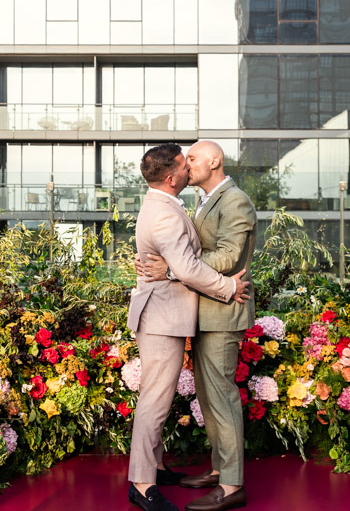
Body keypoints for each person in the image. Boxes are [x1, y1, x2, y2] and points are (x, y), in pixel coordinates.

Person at [127, 143, 250, 511]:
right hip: (164, 317)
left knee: (190, 397)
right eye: (185, 163)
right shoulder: (166, 211)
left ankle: (162, 470)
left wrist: (171, 267)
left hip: (176, 315)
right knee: (155, 401)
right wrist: (228, 286)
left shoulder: (171, 204)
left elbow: (212, 255)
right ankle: (142, 483)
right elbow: (188, 265)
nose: (188, 168)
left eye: (193, 159)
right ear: (170, 178)